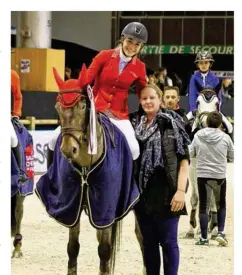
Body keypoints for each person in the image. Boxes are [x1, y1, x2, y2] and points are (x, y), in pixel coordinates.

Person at [47, 21, 148, 166]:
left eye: (137, 44)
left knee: (134, 149)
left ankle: (132, 187)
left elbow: (142, 93)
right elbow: (87, 78)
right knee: (53, 139)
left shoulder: (140, 68)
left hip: (118, 114)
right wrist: (70, 88)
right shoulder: (104, 56)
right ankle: (50, 179)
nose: (132, 47)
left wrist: (155, 101)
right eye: (129, 41)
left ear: (141, 47)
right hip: (94, 109)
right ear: (122, 39)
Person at [130, 84, 190, 275]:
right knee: (148, 245)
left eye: (152, 98)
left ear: (160, 99)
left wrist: (180, 191)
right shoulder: (134, 125)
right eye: (144, 98)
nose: (148, 102)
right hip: (143, 195)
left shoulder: (171, 123)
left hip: (167, 193)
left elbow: (183, 161)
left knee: (169, 242)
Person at [189, 111, 234, 246]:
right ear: (220, 123)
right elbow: (232, 156)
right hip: (219, 176)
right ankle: (220, 232)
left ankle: (203, 238)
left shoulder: (198, 135)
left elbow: (191, 152)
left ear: (206, 122)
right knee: (221, 205)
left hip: (203, 175)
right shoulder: (226, 138)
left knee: (203, 206)